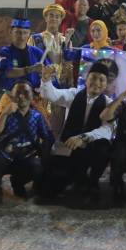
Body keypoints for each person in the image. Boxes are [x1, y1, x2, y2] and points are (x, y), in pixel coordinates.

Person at [38, 62, 114, 201]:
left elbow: (107, 130)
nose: (96, 83)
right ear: (87, 79)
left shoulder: (108, 103)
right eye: (93, 78)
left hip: (90, 149)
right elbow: (52, 95)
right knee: (49, 189)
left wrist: (83, 138)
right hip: (68, 146)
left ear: (106, 84)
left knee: (104, 146)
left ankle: (93, 181)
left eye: (101, 80)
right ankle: (76, 178)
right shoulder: (74, 94)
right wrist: (46, 80)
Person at [0, 80, 53, 205]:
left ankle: (18, 182)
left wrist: (43, 154)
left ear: (32, 96)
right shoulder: (6, 113)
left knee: (38, 166)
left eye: (26, 92)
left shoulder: (37, 116)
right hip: (6, 154)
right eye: (18, 93)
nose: (21, 96)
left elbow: (46, 137)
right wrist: (4, 113)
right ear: (12, 96)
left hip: (27, 155)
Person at [0, 17, 47, 94]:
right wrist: (31, 69)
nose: (22, 37)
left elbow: (48, 70)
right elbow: (7, 72)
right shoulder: (4, 52)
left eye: (25, 33)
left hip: (33, 96)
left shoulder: (37, 52)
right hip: (11, 95)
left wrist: (47, 71)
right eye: (18, 32)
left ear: (29, 33)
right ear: (11, 32)